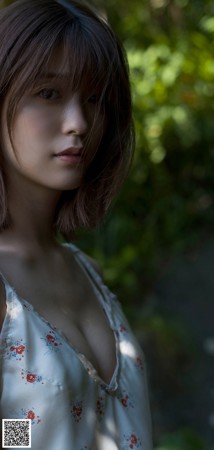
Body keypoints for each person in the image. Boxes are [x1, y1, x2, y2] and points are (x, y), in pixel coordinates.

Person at [0, 0, 153, 449]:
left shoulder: (86, 270)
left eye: (94, 99)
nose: (79, 123)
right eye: (48, 93)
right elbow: (14, 435)